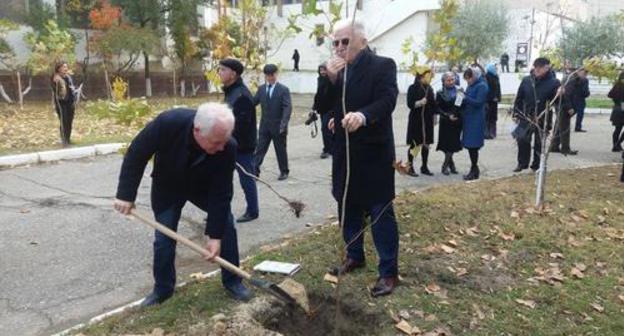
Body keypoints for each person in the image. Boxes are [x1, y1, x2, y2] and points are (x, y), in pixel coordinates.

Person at [113, 103, 251, 306]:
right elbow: (136, 154)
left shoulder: (227, 146)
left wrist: (215, 236)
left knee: (226, 226)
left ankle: (233, 281)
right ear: (198, 131)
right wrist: (125, 195)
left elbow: (221, 193)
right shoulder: (168, 123)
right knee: (164, 238)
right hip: (168, 185)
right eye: (216, 142)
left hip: (202, 188)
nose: (222, 147)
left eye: (224, 141)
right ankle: (163, 289)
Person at [325, 19, 400, 297]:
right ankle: (354, 255)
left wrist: (363, 115)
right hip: (345, 153)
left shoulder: (383, 65)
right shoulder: (338, 70)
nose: (340, 47)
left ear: (363, 41)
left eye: (345, 41)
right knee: (347, 205)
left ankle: (389, 272)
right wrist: (329, 80)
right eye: (336, 42)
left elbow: (388, 100)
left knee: (380, 212)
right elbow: (327, 104)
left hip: (374, 153)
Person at [218, 58, 259, 223]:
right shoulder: (231, 91)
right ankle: (219, 211)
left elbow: (241, 126)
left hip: (241, 147)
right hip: (228, 144)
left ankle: (253, 211)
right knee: (221, 179)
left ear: (233, 74)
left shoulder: (241, 95)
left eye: (222, 70)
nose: (219, 73)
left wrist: (225, 139)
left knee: (246, 178)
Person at [512, 57, 560, 172]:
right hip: (526, 116)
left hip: (543, 118)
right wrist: (516, 112)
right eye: (536, 67)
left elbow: (557, 102)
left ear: (547, 68)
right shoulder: (527, 80)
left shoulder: (554, 82)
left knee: (539, 143)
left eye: (540, 68)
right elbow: (519, 98)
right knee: (521, 138)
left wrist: (561, 94)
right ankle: (522, 163)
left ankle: (536, 165)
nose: (537, 70)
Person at [253, 64, 292, 181]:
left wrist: (284, 124)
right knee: (260, 149)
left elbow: (287, 108)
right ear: (265, 76)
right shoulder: (261, 89)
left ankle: (284, 171)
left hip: (279, 126)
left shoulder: (283, 90)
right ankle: (255, 171)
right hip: (265, 126)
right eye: (268, 75)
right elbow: (253, 103)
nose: (270, 78)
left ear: (276, 74)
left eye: (272, 75)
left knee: (280, 150)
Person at [406, 67, 437, 176]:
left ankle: (424, 166)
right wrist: (419, 102)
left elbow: (433, 104)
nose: (429, 78)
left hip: (427, 120)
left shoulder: (430, 88)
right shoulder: (412, 88)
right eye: (427, 76)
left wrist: (435, 116)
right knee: (415, 144)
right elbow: (410, 104)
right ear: (421, 77)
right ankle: (410, 167)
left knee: (426, 144)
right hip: (416, 120)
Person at [460, 66, 488, 181]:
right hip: (469, 118)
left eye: (469, 79)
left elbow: (478, 102)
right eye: (466, 79)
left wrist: (465, 97)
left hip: (476, 119)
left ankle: (474, 170)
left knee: (473, 146)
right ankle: (474, 169)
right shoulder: (471, 85)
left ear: (475, 76)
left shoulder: (482, 86)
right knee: (470, 146)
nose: (468, 81)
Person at [436, 72, 463, 175]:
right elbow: (437, 108)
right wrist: (447, 115)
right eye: (448, 80)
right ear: (443, 81)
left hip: (457, 120)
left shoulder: (459, 90)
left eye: (452, 79)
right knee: (447, 145)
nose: (451, 82)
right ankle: (447, 166)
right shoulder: (440, 93)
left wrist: (455, 115)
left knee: (453, 144)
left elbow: (460, 104)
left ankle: (448, 165)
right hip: (446, 121)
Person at [550, 70, 579, 155]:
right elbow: (566, 95)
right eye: (584, 73)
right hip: (563, 107)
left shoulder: (568, 78)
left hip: (560, 105)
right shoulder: (571, 80)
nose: (585, 75)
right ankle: (565, 148)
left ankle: (554, 146)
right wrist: (569, 107)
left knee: (559, 127)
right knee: (565, 128)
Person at [313, 63, 336, 158]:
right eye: (321, 70)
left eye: (324, 70)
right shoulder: (320, 80)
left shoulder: (332, 80)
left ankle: (328, 149)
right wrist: (314, 108)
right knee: (326, 129)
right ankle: (329, 147)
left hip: (330, 109)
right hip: (322, 109)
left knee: (325, 128)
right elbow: (318, 95)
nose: (322, 72)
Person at [51, 61, 77, 146]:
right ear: (59, 69)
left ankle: (68, 139)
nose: (66, 69)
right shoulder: (55, 78)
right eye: (64, 67)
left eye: (66, 67)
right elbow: (55, 90)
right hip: (61, 103)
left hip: (70, 102)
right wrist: (57, 82)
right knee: (63, 121)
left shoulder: (68, 78)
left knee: (69, 121)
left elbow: (72, 89)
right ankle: (64, 140)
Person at [608, 71, 624, 152]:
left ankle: (615, 145)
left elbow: (609, 94)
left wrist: (616, 100)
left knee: (617, 129)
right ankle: (618, 144)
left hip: (617, 108)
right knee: (619, 129)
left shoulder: (617, 85)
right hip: (622, 109)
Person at [484, 63, 501, 139]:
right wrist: (492, 97)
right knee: (488, 117)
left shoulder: (496, 76)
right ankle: (487, 134)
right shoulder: (486, 77)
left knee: (493, 118)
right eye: (494, 67)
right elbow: (486, 89)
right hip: (488, 101)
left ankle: (493, 133)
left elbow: (498, 89)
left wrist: (498, 97)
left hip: (494, 101)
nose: (495, 69)